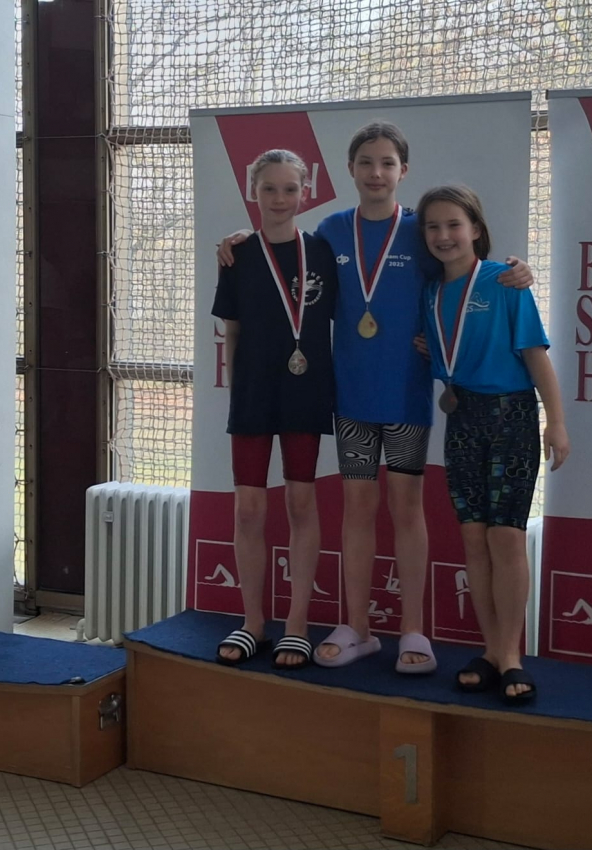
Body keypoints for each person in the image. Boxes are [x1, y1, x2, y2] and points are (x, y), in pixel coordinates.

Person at [217, 122, 533, 674]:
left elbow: (463, 269)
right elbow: (282, 256)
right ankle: (358, 627)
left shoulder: (420, 231)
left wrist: (518, 270)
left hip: (408, 393)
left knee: (407, 509)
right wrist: (237, 239)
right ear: (350, 170)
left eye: (387, 163)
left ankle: (413, 629)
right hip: (351, 396)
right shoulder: (331, 232)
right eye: (366, 162)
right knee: (357, 509)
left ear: (403, 171)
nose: (376, 172)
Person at [417, 184, 569, 704]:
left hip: (511, 417)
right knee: (474, 538)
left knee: (505, 537)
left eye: (454, 225)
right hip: (462, 420)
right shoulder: (430, 293)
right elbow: (442, 348)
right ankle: (488, 649)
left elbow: (535, 355)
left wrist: (556, 422)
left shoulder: (505, 281)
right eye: (433, 227)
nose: (444, 235)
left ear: (476, 230)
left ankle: (510, 655)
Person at [212, 149, 337, 671]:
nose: (279, 198)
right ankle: (253, 622)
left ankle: (297, 624)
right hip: (253, 395)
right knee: (248, 508)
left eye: (289, 189)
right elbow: (232, 332)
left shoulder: (323, 252)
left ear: (305, 193)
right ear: (253, 192)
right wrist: (239, 391)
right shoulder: (237, 255)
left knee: (301, 504)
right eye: (269, 188)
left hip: (306, 391)